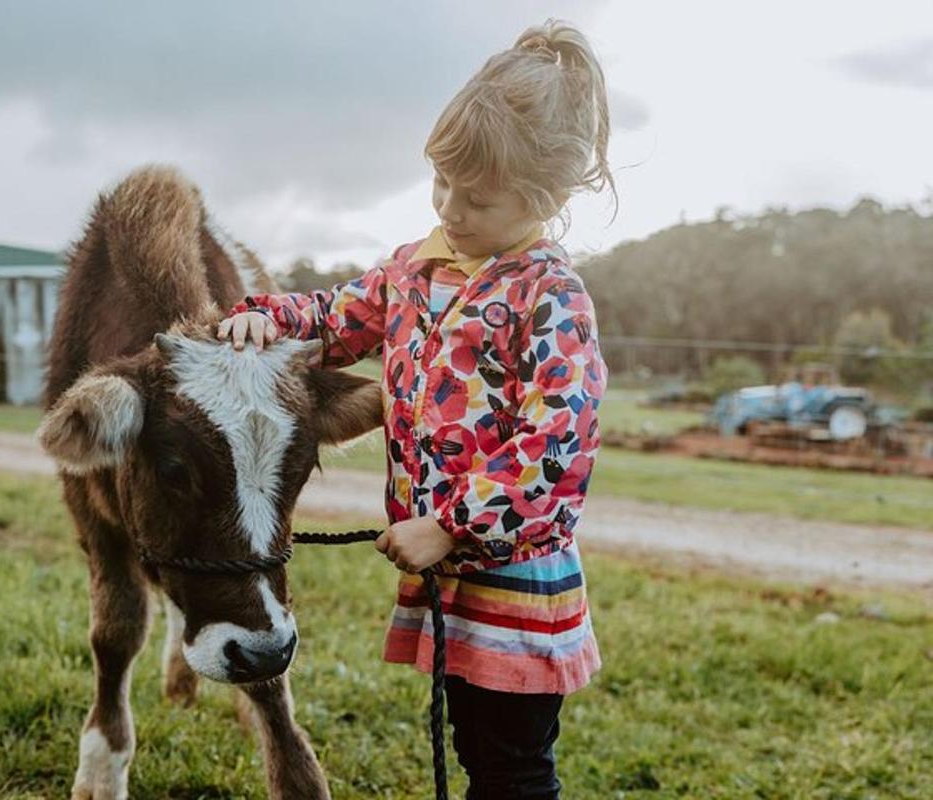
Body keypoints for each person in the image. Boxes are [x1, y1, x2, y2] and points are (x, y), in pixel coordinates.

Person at [217, 19, 613, 800]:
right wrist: (271, 318)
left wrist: (453, 526)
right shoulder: (414, 270)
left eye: (479, 199)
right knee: (478, 750)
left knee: (514, 767)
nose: (452, 210)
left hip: (512, 577)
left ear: (551, 197)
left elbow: (558, 443)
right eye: (443, 185)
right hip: (451, 577)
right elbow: (339, 317)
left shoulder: (550, 298)